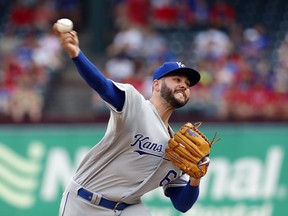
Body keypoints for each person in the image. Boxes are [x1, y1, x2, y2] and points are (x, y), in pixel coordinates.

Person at [53, 21, 202, 216]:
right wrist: (76, 55)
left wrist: (195, 179)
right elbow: (103, 86)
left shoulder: (178, 148)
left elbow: (182, 204)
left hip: (129, 208)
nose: (183, 85)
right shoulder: (135, 106)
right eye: (176, 79)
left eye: (187, 83)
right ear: (156, 85)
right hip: (85, 202)